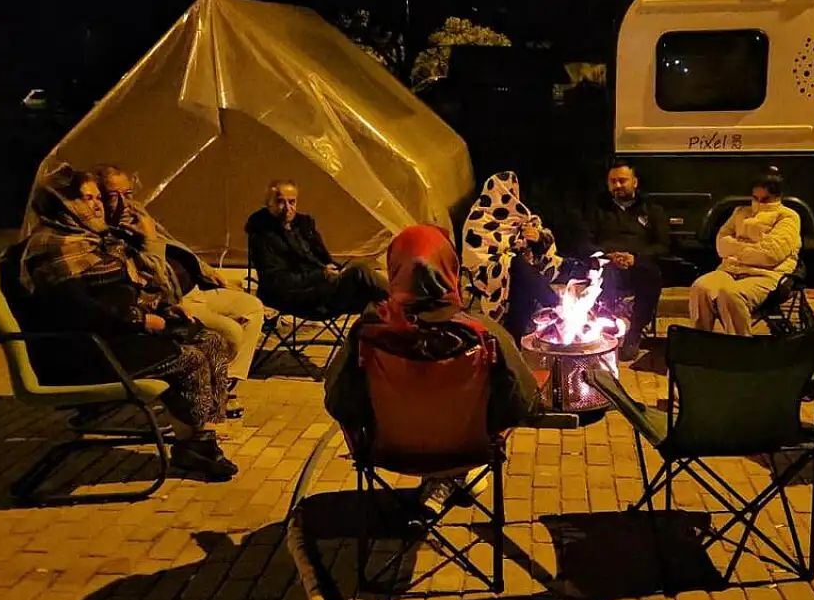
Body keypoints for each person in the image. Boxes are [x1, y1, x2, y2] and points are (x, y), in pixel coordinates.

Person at [13, 165, 238, 479]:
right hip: (82, 351)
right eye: (86, 198)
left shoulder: (91, 240)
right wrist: (142, 320)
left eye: (97, 198)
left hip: (114, 335)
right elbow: (78, 310)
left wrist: (163, 309)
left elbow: (120, 291)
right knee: (192, 359)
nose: (97, 205)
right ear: (62, 204)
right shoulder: (53, 248)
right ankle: (198, 445)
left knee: (211, 340)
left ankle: (201, 440)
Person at [324, 224, 540, 511]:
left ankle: (440, 482)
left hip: (389, 451)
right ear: (450, 267)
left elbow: (338, 400)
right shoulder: (484, 334)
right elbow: (522, 401)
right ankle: (453, 478)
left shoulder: (369, 333)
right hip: (468, 450)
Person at [93, 165, 264, 417]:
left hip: (197, 288)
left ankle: (227, 384)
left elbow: (177, 247)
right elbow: (151, 281)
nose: (124, 204)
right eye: (112, 196)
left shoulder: (140, 217)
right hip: (176, 300)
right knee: (231, 333)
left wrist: (208, 270)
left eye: (127, 194)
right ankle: (211, 398)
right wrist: (150, 241)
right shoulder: (112, 239)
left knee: (252, 307)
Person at [462, 171, 580, 343]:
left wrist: (538, 238)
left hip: (519, 278)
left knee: (525, 278)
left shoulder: (522, 218)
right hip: (487, 276)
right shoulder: (478, 219)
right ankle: (555, 304)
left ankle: (518, 341)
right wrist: (512, 252)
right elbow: (477, 258)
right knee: (515, 263)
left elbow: (546, 251)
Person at [569, 160, 670, 360]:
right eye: (612, 182)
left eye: (622, 181)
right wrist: (608, 256)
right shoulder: (596, 210)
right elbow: (584, 242)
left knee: (651, 274)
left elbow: (663, 245)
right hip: (608, 264)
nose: (617, 186)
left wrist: (635, 258)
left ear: (635, 182)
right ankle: (607, 331)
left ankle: (635, 333)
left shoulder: (652, 210)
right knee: (605, 273)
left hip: (639, 264)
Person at [245, 180, 389, 317]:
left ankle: (393, 317)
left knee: (370, 290)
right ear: (269, 204)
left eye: (292, 202)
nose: (288, 208)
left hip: (322, 288)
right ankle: (401, 303)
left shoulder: (304, 227)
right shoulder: (262, 235)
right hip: (296, 296)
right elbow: (276, 281)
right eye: (281, 202)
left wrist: (335, 270)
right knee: (359, 272)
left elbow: (322, 259)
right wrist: (321, 275)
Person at [689, 169, 801, 336]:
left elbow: (770, 255)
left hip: (765, 274)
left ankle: (739, 345)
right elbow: (721, 244)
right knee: (701, 288)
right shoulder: (740, 212)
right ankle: (702, 342)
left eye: (765, 199)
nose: (758, 203)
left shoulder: (788, 217)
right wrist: (752, 247)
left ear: (777, 197)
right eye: (755, 198)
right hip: (730, 270)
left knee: (731, 295)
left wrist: (736, 249)